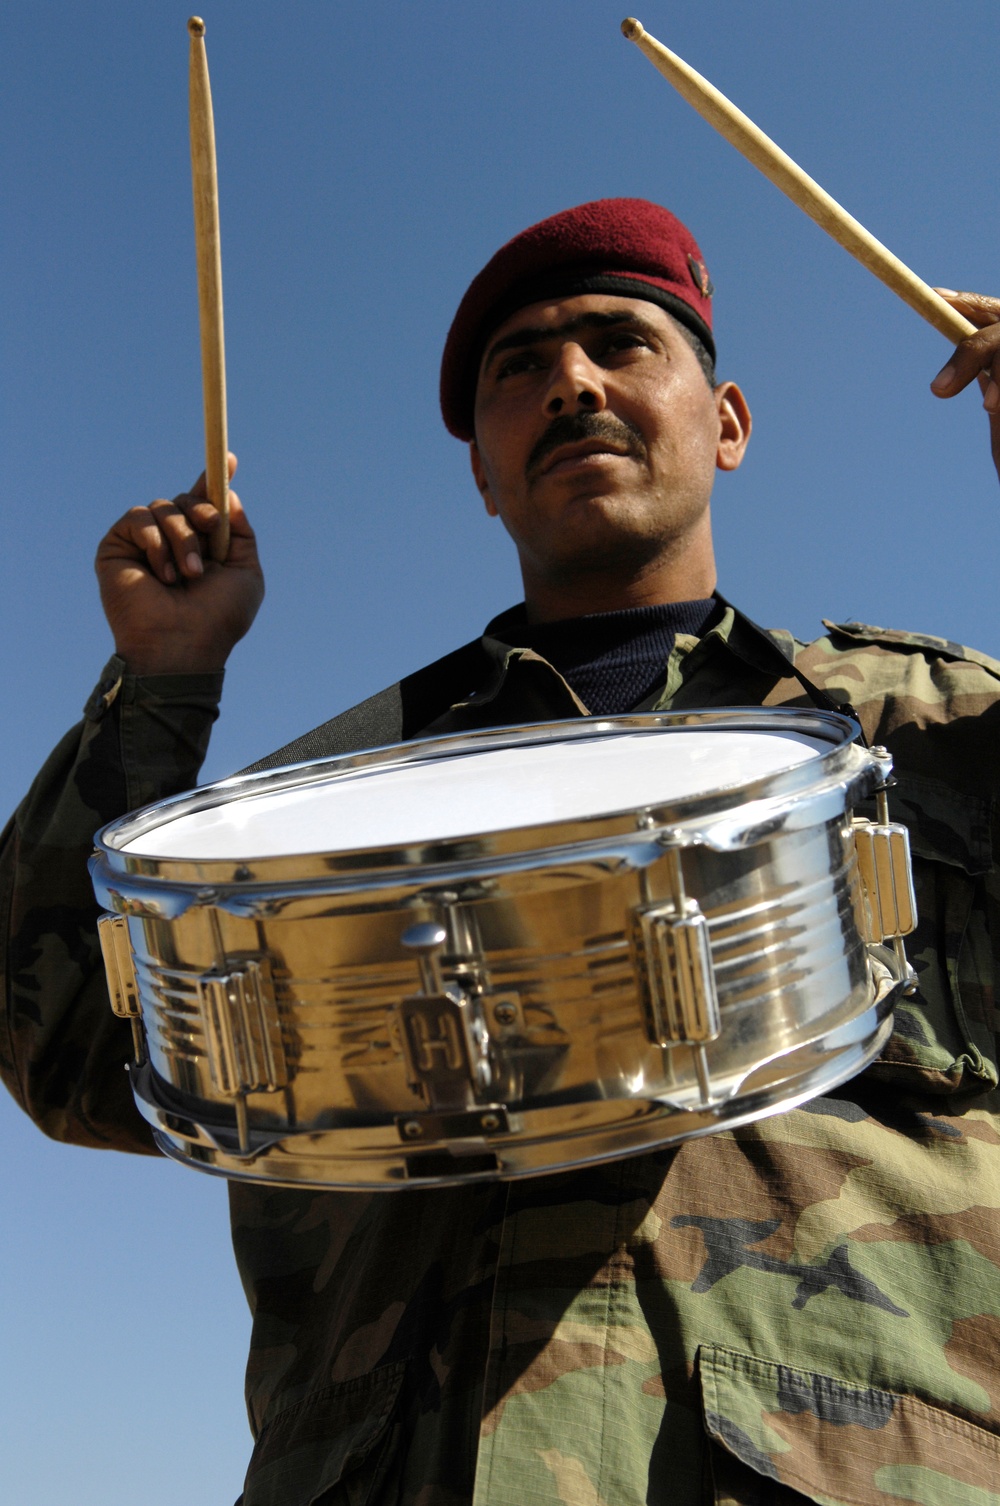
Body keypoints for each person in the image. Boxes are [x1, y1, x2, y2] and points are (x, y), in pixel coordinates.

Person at [3, 199, 1000, 1506]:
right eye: (519, 369)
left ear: (730, 422)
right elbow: (68, 1050)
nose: (572, 381)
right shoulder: (322, 815)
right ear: (481, 467)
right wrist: (161, 684)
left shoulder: (935, 733)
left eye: (620, 342)